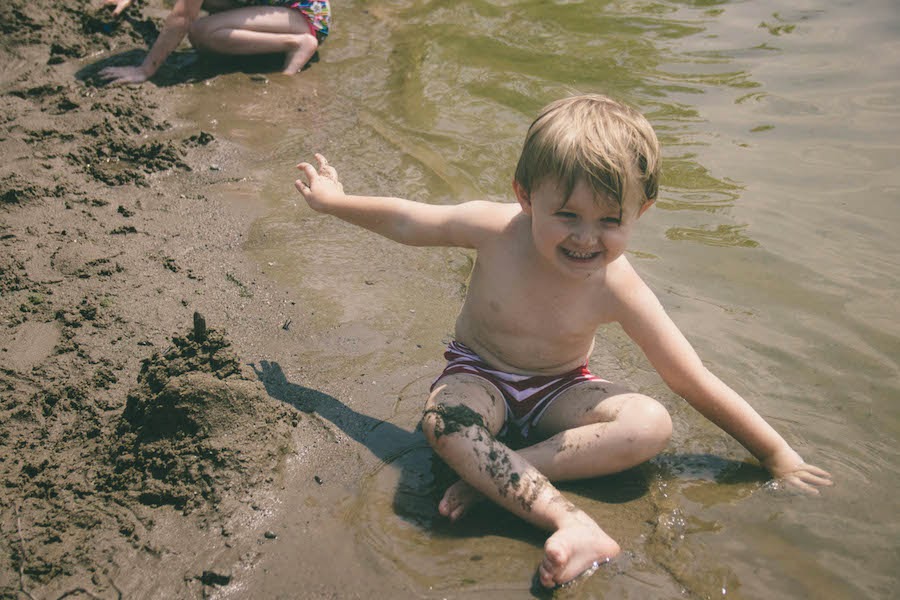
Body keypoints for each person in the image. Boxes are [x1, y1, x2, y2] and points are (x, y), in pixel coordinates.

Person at [293, 94, 833, 589]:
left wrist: (776, 454)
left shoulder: (618, 287)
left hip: (560, 390)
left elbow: (688, 377)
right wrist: (334, 201)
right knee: (444, 423)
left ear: (640, 212)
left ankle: (498, 473)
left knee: (651, 423)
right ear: (526, 196)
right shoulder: (495, 230)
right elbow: (410, 221)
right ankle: (569, 522)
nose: (585, 237)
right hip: (480, 375)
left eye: (610, 220)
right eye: (567, 215)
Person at [99, 0, 330, 84]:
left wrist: (144, 70)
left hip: (305, 15)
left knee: (201, 32)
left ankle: (296, 43)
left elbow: (182, 18)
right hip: (272, 6)